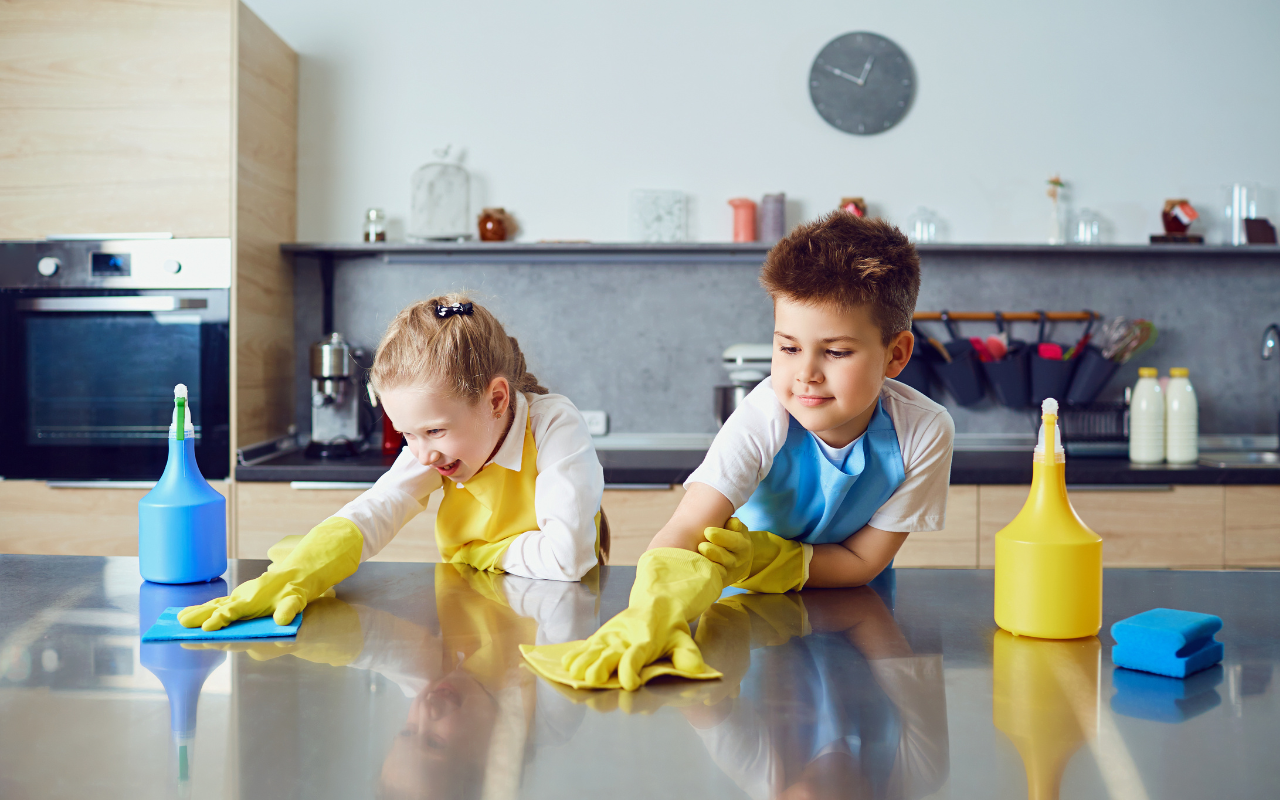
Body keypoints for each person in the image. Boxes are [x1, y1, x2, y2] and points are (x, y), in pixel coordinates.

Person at [521, 212, 954, 690]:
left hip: (854, 621)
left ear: (896, 354)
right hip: (740, 619)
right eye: (788, 347)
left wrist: (764, 557)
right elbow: (687, 527)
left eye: (835, 352)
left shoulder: (925, 432)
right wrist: (651, 613)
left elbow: (862, 563)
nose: (805, 373)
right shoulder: (763, 415)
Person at [180, 295, 607, 632]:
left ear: (496, 400)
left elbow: (567, 559)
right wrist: (304, 569)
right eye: (407, 434)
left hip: (557, 624)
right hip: (476, 618)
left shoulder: (552, 424)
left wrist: (480, 552)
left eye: (435, 431)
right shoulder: (437, 446)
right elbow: (379, 506)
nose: (422, 454)